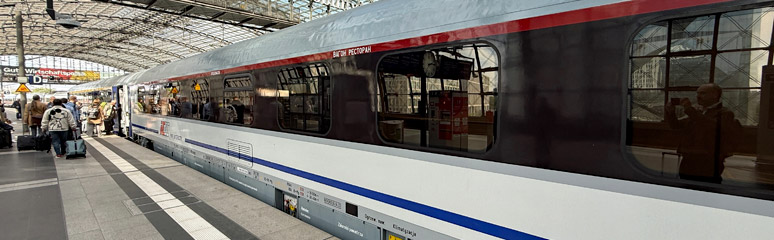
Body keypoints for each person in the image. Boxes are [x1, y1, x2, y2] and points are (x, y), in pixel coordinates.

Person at [664, 83, 742, 184]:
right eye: (697, 93)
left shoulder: (725, 113)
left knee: (706, 187)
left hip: (708, 161)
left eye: (703, 93)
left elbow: (711, 126)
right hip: (689, 159)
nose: (698, 96)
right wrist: (671, 113)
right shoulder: (698, 112)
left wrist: (690, 110)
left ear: (715, 95)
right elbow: (676, 126)